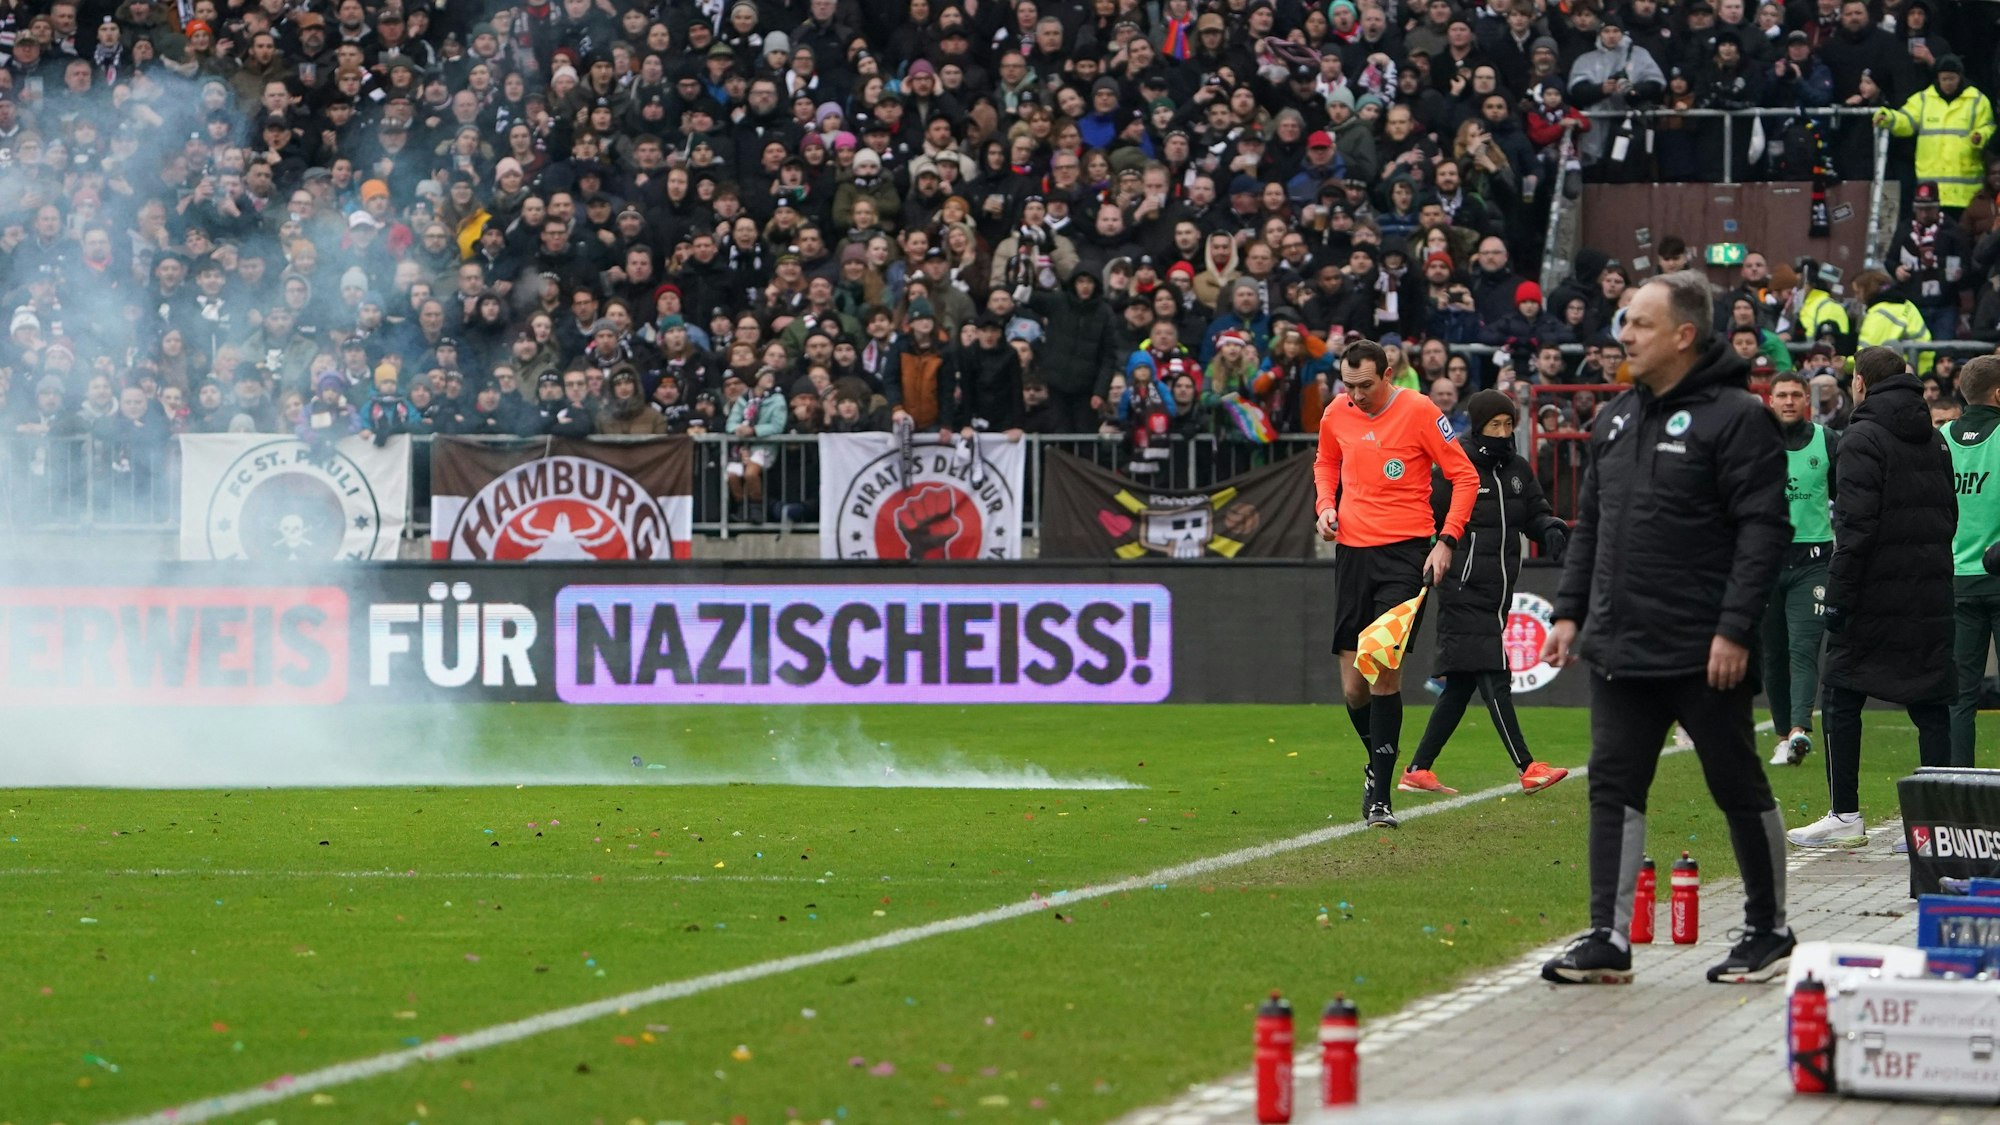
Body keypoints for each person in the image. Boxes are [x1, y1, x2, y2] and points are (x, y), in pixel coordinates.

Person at [1538, 272, 1795, 986]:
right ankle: (1607, 935)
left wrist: (1736, 629)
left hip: (1705, 648)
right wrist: (1568, 611)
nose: (1624, 335)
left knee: (1736, 783)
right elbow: (1592, 525)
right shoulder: (1615, 417)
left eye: (1641, 324)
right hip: (1622, 645)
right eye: (1624, 321)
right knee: (1612, 787)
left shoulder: (1739, 418)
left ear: (1685, 335)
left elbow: (1763, 531)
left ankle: (1770, 927)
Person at [1790, 346, 1955, 849]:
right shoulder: (1935, 438)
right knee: (1930, 702)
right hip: (1928, 588)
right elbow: (1948, 514)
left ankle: (1845, 814)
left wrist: (1837, 597)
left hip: (1874, 592)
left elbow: (1856, 528)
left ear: (1860, 383)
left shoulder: (1860, 437)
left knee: (1840, 692)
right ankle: (1938, 821)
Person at [1313, 338, 1480, 829]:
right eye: (1348, 385)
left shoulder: (1421, 411)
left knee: (1383, 668)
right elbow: (1326, 462)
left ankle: (1381, 797)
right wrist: (1326, 505)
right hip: (1351, 554)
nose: (1356, 395)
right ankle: (1377, 762)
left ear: (1389, 375)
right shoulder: (1336, 413)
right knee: (1353, 688)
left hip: (1405, 555)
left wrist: (1446, 539)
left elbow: (1464, 477)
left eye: (1365, 385)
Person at [1399, 390, 1573, 797]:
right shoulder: (1454, 465)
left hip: (1498, 590)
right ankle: (1527, 767)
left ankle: (1418, 769)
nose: (1502, 432)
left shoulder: (1517, 470)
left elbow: (1533, 512)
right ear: (1477, 426)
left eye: (1508, 424)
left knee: (1460, 684)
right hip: (1461, 585)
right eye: (1495, 425)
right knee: (1494, 674)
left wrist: (1548, 527)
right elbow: (1428, 516)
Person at [1763, 371, 1839, 767]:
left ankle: (1798, 730)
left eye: (1796, 394)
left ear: (1805, 401)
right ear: (1769, 400)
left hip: (1813, 563)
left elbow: (1848, 498)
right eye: (1782, 395)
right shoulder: (1754, 444)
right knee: (1772, 654)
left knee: (1803, 648)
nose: (1789, 401)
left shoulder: (1828, 441)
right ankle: (1782, 734)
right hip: (1765, 561)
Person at [1944, 355, 2000, 769]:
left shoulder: (1941, 437)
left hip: (1956, 581)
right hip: (1998, 578)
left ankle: (1956, 786)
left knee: (1960, 697)